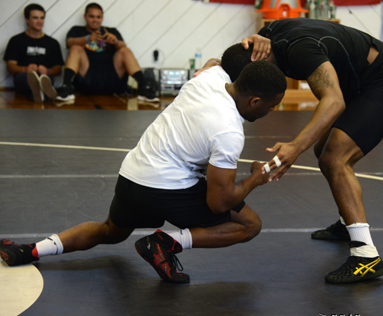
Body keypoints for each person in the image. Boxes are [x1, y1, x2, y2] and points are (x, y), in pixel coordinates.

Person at [0, 45, 287, 284]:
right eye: (272, 106)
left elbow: (219, 60)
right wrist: (256, 178)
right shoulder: (229, 132)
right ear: (255, 100)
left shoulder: (210, 76)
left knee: (111, 229)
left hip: (133, 176)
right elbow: (219, 203)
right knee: (249, 224)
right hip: (169, 188)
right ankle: (165, 244)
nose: (272, 111)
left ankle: (31, 251)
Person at [241, 18, 383, 284]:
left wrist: (295, 147)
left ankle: (366, 256)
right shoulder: (268, 37)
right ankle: (348, 224)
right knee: (324, 151)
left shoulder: (300, 52)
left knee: (336, 158)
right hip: (360, 83)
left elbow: (333, 101)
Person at [55, 3, 159, 103]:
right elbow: (69, 43)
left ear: (102, 18)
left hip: (111, 77)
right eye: (92, 16)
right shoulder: (77, 30)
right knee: (75, 48)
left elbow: (124, 47)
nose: (95, 20)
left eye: (98, 17)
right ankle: (66, 88)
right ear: (85, 17)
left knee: (124, 50)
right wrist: (87, 39)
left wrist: (116, 42)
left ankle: (144, 88)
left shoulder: (111, 31)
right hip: (87, 76)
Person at [3, 4, 63, 103]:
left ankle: (38, 93)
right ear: (27, 20)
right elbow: (10, 67)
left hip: (45, 77)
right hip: (23, 77)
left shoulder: (52, 43)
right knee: (28, 78)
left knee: (45, 79)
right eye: (35, 18)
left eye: (42, 18)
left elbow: (58, 69)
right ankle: (41, 92)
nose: (39, 21)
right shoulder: (16, 40)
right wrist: (26, 69)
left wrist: (47, 71)